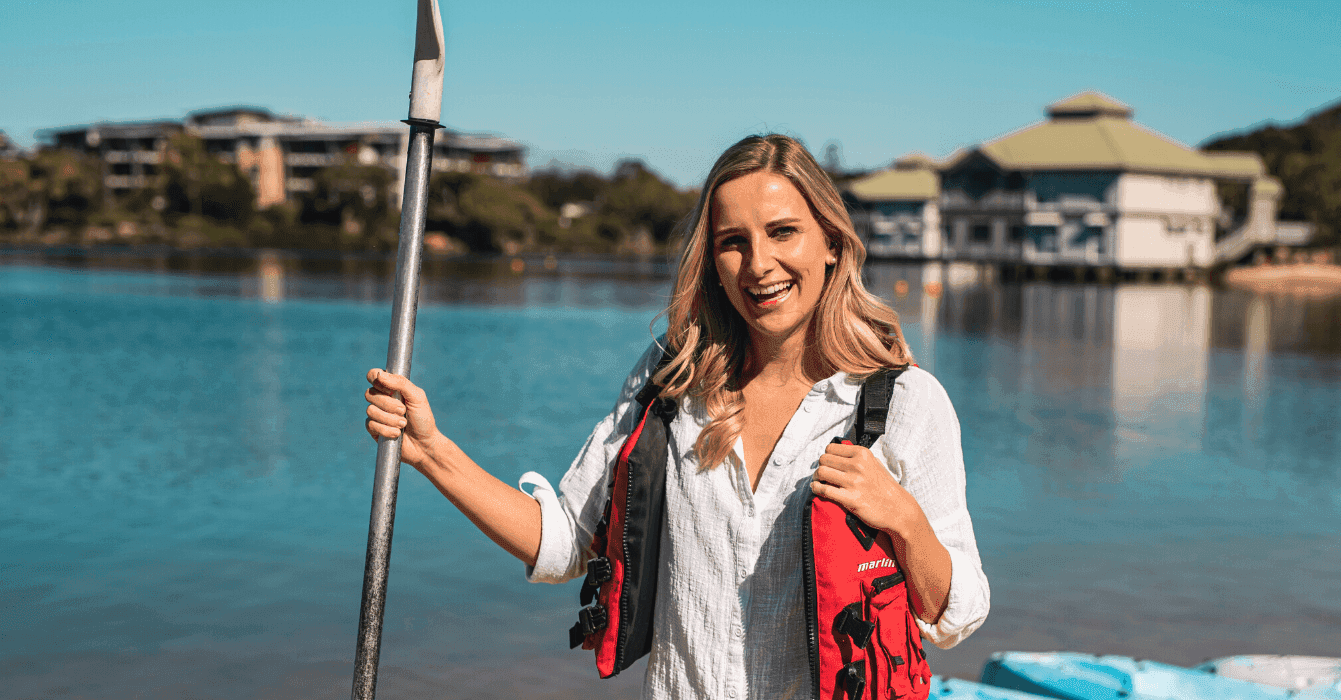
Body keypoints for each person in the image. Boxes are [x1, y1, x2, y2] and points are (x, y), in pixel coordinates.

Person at [363, 134, 988, 699]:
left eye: (782, 232)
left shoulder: (905, 404)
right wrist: (431, 452)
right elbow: (562, 544)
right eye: (732, 242)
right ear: (711, 259)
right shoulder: (672, 381)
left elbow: (955, 616)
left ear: (831, 242)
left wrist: (904, 520)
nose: (759, 264)